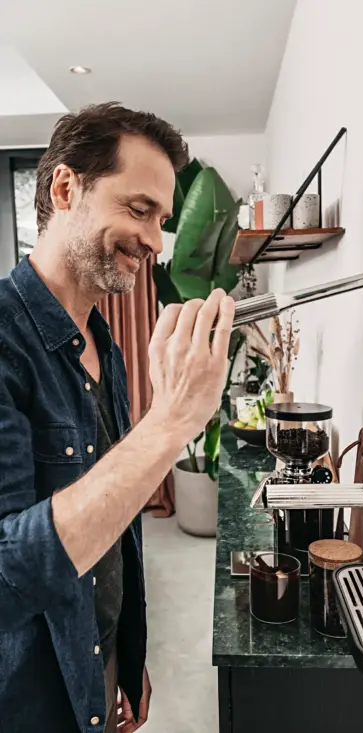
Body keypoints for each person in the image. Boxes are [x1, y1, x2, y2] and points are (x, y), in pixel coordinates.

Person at [0, 102, 235, 733]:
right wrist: (172, 419)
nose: (157, 242)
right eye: (138, 210)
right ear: (66, 188)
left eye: (161, 219)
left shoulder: (103, 341)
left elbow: (115, 528)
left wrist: (128, 654)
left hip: (98, 669)